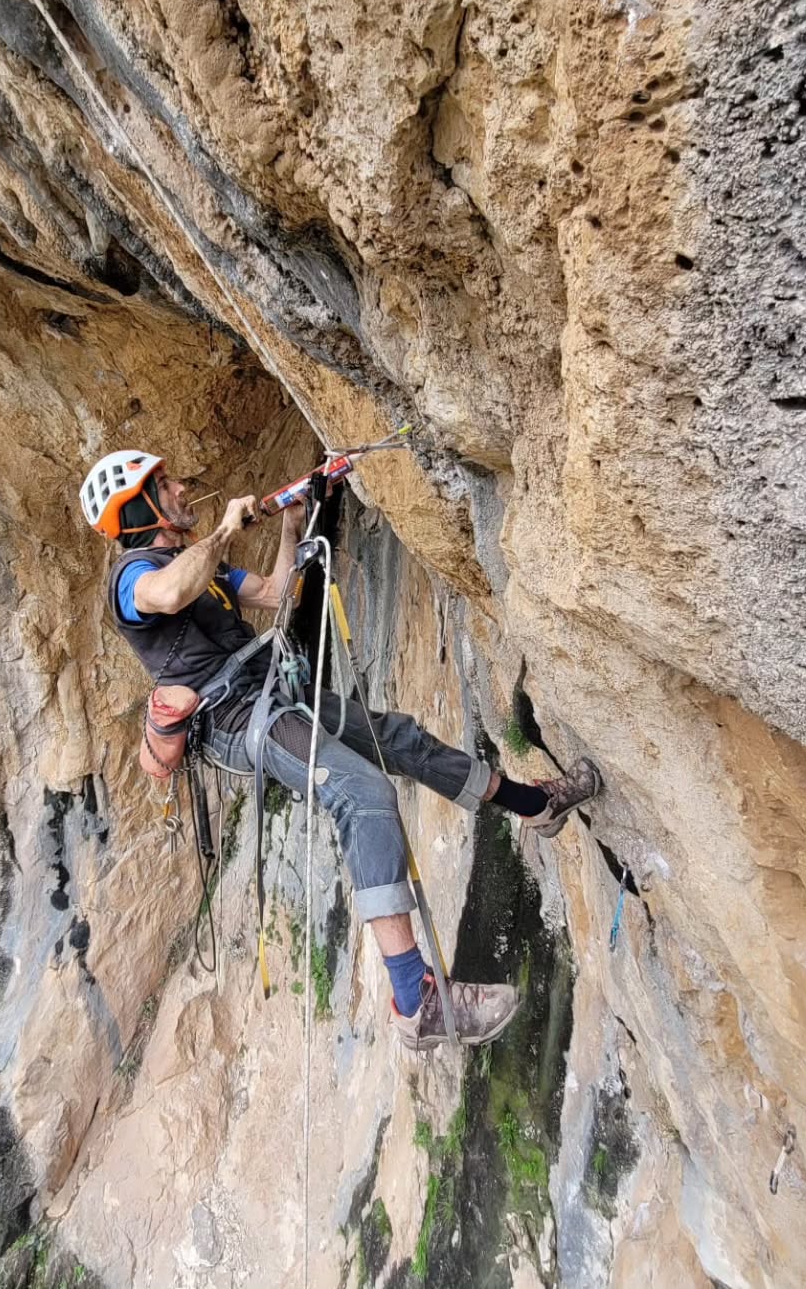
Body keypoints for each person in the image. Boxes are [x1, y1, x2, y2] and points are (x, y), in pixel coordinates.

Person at [79, 450, 602, 1050]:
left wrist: (289, 524)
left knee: (399, 738)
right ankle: (417, 1001)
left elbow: (277, 594)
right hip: (241, 719)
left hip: (277, 692)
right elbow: (169, 594)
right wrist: (224, 530)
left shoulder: (205, 571)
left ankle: (533, 805)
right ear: (138, 507)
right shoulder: (134, 576)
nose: (179, 490)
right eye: (163, 484)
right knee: (363, 793)